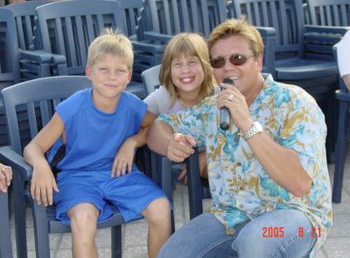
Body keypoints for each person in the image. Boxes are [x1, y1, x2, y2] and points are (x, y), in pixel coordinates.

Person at [147, 18, 332, 258]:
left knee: (256, 242)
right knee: (171, 254)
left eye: (238, 58)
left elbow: (299, 184)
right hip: (232, 216)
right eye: (218, 61)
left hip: (297, 218)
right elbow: (158, 128)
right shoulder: (212, 107)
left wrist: (247, 123)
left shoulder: (295, 102)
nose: (228, 68)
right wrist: (171, 143)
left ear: (258, 60)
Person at [23, 29, 171, 258]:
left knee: (161, 209)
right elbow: (34, 147)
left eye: (119, 71)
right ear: (89, 72)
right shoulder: (72, 107)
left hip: (119, 174)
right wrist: (41, 166)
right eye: (104, 70)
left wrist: (131, 142)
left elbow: (154, 126)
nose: (112, 77)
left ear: (129, 75)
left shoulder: (133, 106)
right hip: (77, 178)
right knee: (83, 221)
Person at [118, 32, 217, 182]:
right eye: (178, 64)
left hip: (215, 159)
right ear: (169, 70)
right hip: (173, 156)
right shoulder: (163, 96)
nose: (185, 70)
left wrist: (206, 156)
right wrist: (132, 142)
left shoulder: (217, 94)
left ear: (205, 65)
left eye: (192, 62)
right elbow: (139, 123)